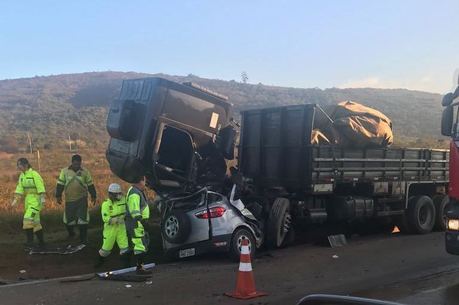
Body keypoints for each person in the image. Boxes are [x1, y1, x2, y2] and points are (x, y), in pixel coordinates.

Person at [55, 154, 97, 244]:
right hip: (69, 200)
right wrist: (58, 195)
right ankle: (71, 234)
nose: (77, 166)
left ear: (80, 163)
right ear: (72, 162)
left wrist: (93, 195)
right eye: (75, 164)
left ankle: (83, 238)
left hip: (82, 199)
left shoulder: (85, 172)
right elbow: (60, 184)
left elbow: (90, 184)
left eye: (78, 164)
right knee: (69, 220)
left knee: (83, 219)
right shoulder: (64, 171)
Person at [11, 158, 46, 249]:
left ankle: (30, 242)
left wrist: (42, 198)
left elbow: (40, 186)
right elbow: (20, 188)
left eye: (20, 165)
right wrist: (16, 200)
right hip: (28, 201)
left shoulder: (34, 174)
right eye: (18, 165)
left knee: (27, 220)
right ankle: (42, 243)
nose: (18, 167)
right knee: (35, 223)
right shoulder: (22, 176)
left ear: (26, 165)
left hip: (36, 201)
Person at [95, 183, 130, 267]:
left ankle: (126, 264)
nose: (118, 196)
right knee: (106, 248)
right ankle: (100, 262)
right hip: (110, 229)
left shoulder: (124, 200)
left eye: (119, 193)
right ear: (110, 194)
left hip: (121, 228)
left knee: (124, 247)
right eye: (116, 194)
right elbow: (105, 218)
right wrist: (116, 220)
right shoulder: (106, 204)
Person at [125, 176, 151, 275]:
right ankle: (140, 268)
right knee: (139, 245)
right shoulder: (134, 193)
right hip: (137, 223)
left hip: (138, 223)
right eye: (144, 181)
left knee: (141, 244)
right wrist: (143, 222)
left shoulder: (135, 191)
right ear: (140, 181)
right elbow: (134, 211)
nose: (145, 183)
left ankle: (140, 266)